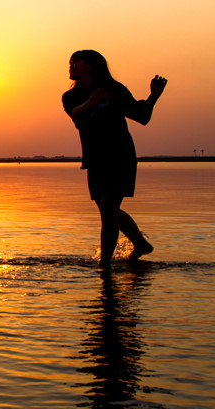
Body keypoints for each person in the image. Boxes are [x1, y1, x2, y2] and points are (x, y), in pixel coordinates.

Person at [62, 50, 167, 268]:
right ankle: (140, 244)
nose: (71, 66)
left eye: (76, 62)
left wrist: (153, 96)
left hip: (120, 154)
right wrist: (91, 102)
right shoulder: (70, 96)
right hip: (95, 157)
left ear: (90, 65)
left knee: (109, 206)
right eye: (70, 63)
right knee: (106, 208)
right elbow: (75, 114)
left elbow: (142, 116)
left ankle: (105, 265)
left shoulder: (113, 90)